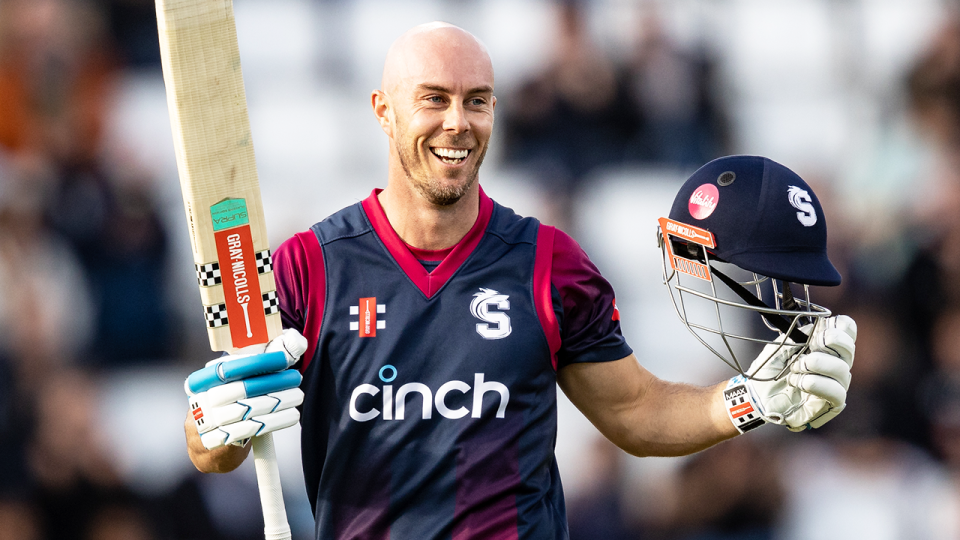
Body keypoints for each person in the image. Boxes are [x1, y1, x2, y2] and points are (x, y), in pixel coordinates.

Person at [183, 22, 856, 540]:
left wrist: (747, 401)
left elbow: (634, 413)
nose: (458, 123)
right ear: (384, 111)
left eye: (476, 101)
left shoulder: (549, 263)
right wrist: (215, 424)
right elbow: (216, 449)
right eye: (433, 100)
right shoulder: (309, 266)